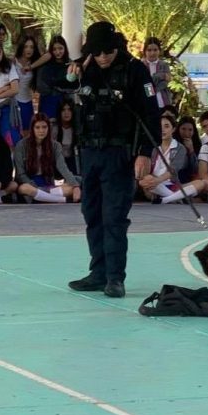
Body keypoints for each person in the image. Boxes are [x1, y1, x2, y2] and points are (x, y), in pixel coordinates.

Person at [66, 21, 160, 298]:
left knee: (114, 217)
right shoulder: (86, 67)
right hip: (90, 152)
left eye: (107, 52)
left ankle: (115, 277)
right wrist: (73, 72)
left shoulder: (135, 70)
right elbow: (55, 85)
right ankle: (98, 273)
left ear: (116, 47)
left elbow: (151, 114)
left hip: (119, 154)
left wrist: (144, 153)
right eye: (97, 53)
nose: (103, 57)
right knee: (91, 213)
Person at [14, 113, 80, 203]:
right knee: (24, 188)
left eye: (44, 127)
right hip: (29, 184)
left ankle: (41, 197)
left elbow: (63, 168)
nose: (41, 130)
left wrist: (75, 186)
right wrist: (35, 187)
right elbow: (20, 174)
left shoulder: (55, 145)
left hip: (47, 184)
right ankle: (58, 199)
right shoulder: (21, 145)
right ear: (32, 129)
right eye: (37, 127)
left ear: (49, 128)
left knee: (72, 186)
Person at [138, 114, 203, 204]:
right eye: (160, 127)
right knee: (144, 180)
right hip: (154, 184)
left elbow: (173, 170)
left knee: (200, 183)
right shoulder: (152, 146)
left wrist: (158, 180)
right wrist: (153, 180)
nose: (163, 130)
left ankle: (165, 200)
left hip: (172, 184)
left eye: (166, 126)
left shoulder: (180, 148)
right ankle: (178, 198)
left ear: (173, 129)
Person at [13, 36, 49, 136]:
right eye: (26, 46)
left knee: (27, 133)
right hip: (13, 101)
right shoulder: (13, 61)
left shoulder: (35, 62)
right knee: (13, 133)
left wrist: (30, 67)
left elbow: (49, 55)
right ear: (21, 47)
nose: (29, 49)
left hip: (27, 102)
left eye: (32, 47)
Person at [36, 36, 76, 121]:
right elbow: (40, 86)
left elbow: (73, 86)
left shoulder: (70, 63)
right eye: (54, 49)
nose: (58, 52)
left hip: (65, 104)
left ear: (65, 48)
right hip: (48, 102)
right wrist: (59, 85)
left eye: (60, 48)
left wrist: (56, 85)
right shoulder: (45, 64)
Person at [140, 37, 172, 110]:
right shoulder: (140, 65)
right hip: (146, 104)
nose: (152, 53)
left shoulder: (164, 65)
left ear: (159, 51)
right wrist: (161, 76)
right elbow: (142, 82)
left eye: (155, 50)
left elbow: (167, 81)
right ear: (145, 51)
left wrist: (157, 78)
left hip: (164, 103)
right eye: (149, 50)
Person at [53, 99, 79, 176]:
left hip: (72, 162)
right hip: (56, 162)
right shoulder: (53, 128)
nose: (66, 113)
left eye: (69, 110)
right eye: (63, 110)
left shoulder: (77, 129)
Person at [174, 115, 201, 181]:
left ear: (194, 131)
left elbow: (195, 169)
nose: (186, 133)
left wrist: (191, 151)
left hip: (191, 179)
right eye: (183, 129)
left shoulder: (197, 144)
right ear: (178, 129)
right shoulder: (173, 143)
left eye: (190, 130)